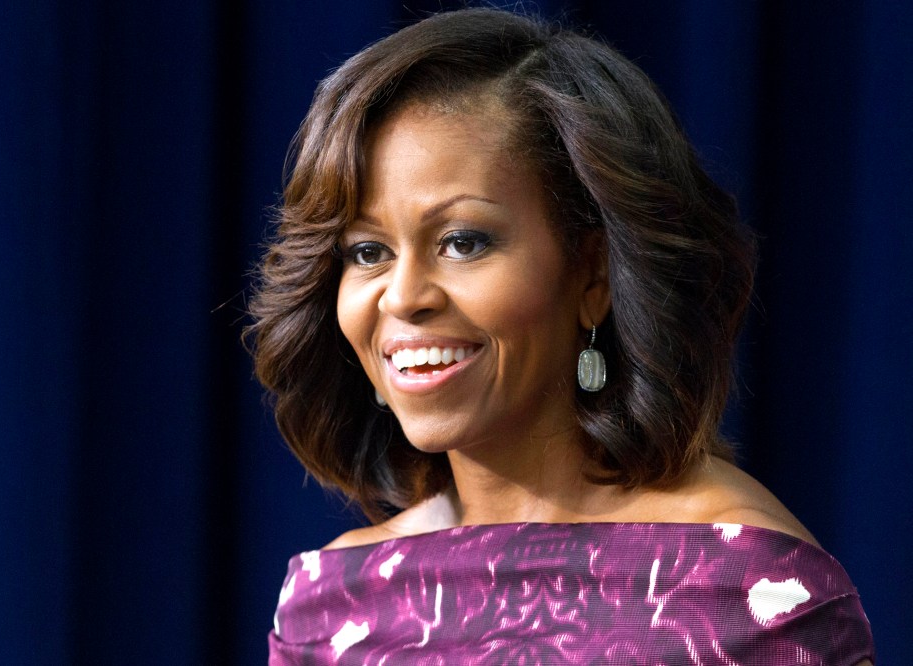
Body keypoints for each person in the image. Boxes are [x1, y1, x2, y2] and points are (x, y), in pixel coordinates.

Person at [248, 8, 875, 665]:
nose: (404, 296)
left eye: (462, 242)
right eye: (367, 251)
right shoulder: (333, 605)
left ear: (593, 275)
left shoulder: (747, 590)